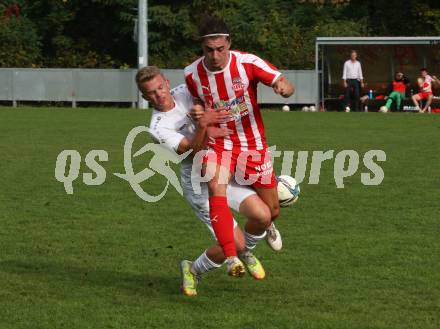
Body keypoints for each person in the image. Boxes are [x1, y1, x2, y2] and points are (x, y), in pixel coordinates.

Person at [136, 66, 273, 296]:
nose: (158, 94)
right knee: (234, 243)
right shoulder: (158, 128)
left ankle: (244, 252)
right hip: (198, 181)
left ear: (167, 83)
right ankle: (193, 269)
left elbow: (212, 100)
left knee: (263, 215)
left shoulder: (185, 91)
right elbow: (192, 153)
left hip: (221, 166)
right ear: (144, 96)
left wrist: (203, 109)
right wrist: (202, 125)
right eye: (151, 92)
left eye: (160, 87)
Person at [184, 15, 295, 276]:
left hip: (253, 145)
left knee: (270, 212)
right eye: (209, 50)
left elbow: (282, 81)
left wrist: (283, 87)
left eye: (220, 49)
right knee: (215, 185)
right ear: (202, 47)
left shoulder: (247, 63)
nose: (214, 55)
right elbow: (198, 101)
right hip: (221, 144)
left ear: (229, 44)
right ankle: (235, 257)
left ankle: (255, 239)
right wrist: (200, 113)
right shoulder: (192, 74)